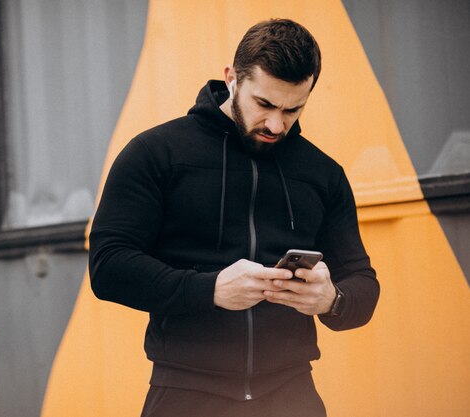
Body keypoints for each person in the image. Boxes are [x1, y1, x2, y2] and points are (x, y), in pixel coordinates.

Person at [89, 18, 380, 417]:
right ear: (232, 79)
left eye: (293, 109)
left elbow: (363, 283)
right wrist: (209, 290)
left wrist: (332, 300)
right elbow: (108, 267)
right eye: (264, 104)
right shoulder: (155, 154)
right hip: (184, 396)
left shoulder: (323, 174)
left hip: (293, 395)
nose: (277, 124)